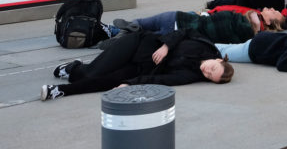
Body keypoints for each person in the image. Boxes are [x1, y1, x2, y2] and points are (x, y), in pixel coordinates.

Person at [43, 29, 233, 100]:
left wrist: (130, 84)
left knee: (104, 82)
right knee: (93, 72)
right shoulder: (205, 45)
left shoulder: (190, 76)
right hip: (139, 43)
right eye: (213, 69)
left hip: (141, 67)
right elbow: (185, 31)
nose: (207, 72)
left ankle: (59, 90)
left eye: (209, 77)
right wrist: (167, 46)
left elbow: (159, 79)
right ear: (218, 60)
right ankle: (73, 67)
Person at [108, 9, 259, 44]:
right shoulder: (239, 36)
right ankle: (118, 40)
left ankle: (116, 31)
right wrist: (255, 32)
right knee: (142, 38)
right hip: (178, 32)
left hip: (177, 16)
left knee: (141, 22)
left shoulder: (229, 14)